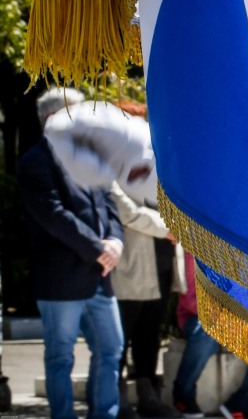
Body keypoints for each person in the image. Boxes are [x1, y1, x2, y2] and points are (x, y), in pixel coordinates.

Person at [43, 99, 184, 419]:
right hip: (132, 264)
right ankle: (117, 401)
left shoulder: (156, 157)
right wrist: (169, 228)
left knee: (150, 335)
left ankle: (148, 397)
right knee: (120, 337)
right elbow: (125, 211)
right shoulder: (104, 166)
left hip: (163, 263)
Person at [18, 87, 126, 419]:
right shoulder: (35, 162)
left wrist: (116, 242)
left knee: (111, 348)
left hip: (100, 276)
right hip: (61, 278)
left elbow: (110, 206)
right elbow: (54, 216)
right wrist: (99, 249)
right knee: (60, 356)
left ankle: (103, 414)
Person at [172, 251, 248, 419]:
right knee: (206, 332)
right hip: (196, 316)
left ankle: (241, 404)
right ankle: (183, 394)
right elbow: (190, 297)